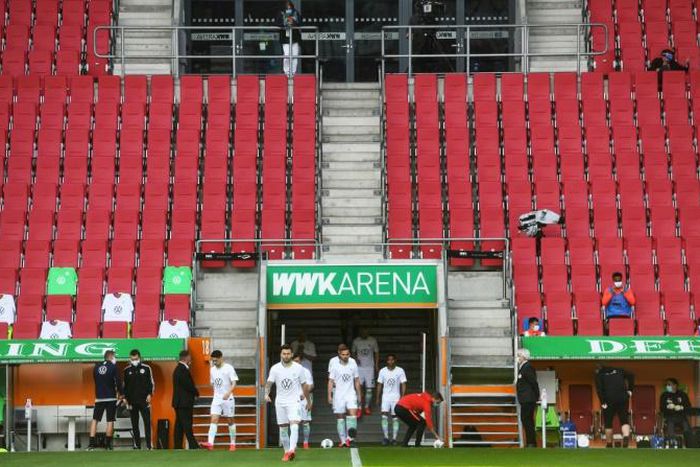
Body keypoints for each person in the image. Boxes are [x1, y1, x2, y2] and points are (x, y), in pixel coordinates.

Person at [266, 345, 309, 462]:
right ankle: (286, 452)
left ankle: (291, 450)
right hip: (280, 402)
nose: (286, 356)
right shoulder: (275, 368)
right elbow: (269, 383)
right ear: (281, 354)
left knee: (294, 424)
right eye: (284, 354)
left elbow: (305, 384)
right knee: (283, 429)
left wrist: (304, 395)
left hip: (294, 401)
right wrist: (266, 394)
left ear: (291, 354)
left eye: (288, 354)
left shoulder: (298, 368)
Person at [201, 350, 238, 451]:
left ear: (221, 358)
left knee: (230, 420)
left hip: (228, 398)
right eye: (213, 361)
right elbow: (212, 383)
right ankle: (210, 443)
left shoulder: (229, 368)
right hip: (216, 398)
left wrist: (228, 392)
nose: (214, 362)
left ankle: (233, 443)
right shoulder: (212, 370)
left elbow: (234, 383)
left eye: (216, 360)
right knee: (213, 419)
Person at [88, 349, 122, 450]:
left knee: (95, 420)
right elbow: (118, 382)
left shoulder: (96, 367)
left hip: (99, 398)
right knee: (110, 421)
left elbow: (95, 380)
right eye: (114, 356)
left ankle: (91, 444)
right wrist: (122, 394)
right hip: (111, 397)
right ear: (111, 357)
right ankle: (107, 445)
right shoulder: (113, 367)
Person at [328, 344, 361, 447]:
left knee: (352, 415)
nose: (345, 356)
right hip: (338, 395)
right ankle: (343, 441)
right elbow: (330, 381)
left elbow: (356, 380)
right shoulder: (334, 365)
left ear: (349, 354)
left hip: (351, 394)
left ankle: (351, 439)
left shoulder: (353, 363)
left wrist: (359, 394)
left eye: (347, 354)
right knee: (340, 417)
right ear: (339, 354)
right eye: (343, 354)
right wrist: (329, 395)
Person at [595, 365, 634, 448]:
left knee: (608, 422)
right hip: (623, 397)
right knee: (624, 419)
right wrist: (630, 390)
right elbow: (631, 375)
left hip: (609, 399)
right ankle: (626, 436)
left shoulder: (599, 375)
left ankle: (609, 443)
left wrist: (602, 402)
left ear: (598, 369)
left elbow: (599, 389)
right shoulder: (619, 369)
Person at [123, 349, 154, 450]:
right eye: (132, 359)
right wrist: (125, 398)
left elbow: (152, 383)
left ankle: (149, 445)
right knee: (134, 424)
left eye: (136, 359)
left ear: (139, 358)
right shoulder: (126, 370)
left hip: (144, 400)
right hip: (132, 401)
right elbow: (125, 386)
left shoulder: (146, 368)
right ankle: (138, 445)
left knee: (147, 423)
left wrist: (150, 394)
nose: (134, 361)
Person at [376, 354, 407, 445]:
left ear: (395, 360)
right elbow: (379, 384)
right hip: (385, 397)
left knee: (395, 417)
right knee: (384, 416)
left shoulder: (400, 370)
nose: (390, 362)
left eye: (392, 360)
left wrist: (402, 397)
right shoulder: (382, 371)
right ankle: (386, 437)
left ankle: (394, 439)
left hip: (396, 397)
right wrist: (377, 397)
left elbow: (403, 383)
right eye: (389, 360)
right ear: (387, 361)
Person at [172, 349, 200, 449]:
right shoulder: (182, 370)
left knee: (179, 425)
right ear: (187, 357)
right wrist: (196, 393)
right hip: (184, 403)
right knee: (187, 424)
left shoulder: (178, 369)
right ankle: (193, 445)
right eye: (190, 357)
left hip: (179, 402)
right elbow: (188, 385)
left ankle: (178, 446)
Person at [352, 328, 380, 416]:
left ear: (368, 332)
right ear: (360, 332)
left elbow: (377, 353)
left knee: (369, 389)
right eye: (362, 332)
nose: (364, 333)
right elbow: (353, 352)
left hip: (369, 368)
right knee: (358, 388)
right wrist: (355, 360)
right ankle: (359, 408)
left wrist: (376, 365)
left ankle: (367, 407)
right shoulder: (356, 341)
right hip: (359, 368)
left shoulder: (373, 340)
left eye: (365, 331)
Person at [516, 348, 539, 448]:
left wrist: (536, 395)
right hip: (525, 399)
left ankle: (531, 442)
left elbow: (533, 382)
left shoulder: (528, 367)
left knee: (527, 420)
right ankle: (531, 442)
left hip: (528, 399)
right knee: (526, 420)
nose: (517, 358)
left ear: (524, 357)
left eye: (518, 355)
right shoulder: (523, 367)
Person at [660, 378, 692, 447]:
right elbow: (661, 408)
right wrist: (667, 407)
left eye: (669, 384)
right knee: (670, 423)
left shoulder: (683, 394)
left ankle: (689, 445)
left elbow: (688, 407)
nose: (667, 386)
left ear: (675, 385)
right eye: (666, 385)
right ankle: (673, 444)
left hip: (681, 416)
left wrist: (681, 407)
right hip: (669, 416)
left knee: (686, 425)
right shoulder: (664, 395)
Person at [293, 352, 314, 449]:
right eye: (295, 361)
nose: (296, 363)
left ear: (300, 361)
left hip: (304, 399)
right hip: (292, 400)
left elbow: (311, 385)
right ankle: (294, 444)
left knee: (305, 422)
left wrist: (304, 393)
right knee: (294, 422)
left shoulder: (306, 371)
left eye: (298, 361)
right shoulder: (288, 371)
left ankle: (305, 442)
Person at [280, 1, 301, 76]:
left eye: (289, 6)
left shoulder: (296, 13)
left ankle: (293, 72)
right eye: (287, 6)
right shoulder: (281, 13)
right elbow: (277, 23)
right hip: (285, 38)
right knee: (287, 55)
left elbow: (300, 22)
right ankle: (287, 72)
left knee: (294, 55)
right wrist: (285, 22)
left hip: (295, 38)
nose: (288, 7)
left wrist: (293, 21)